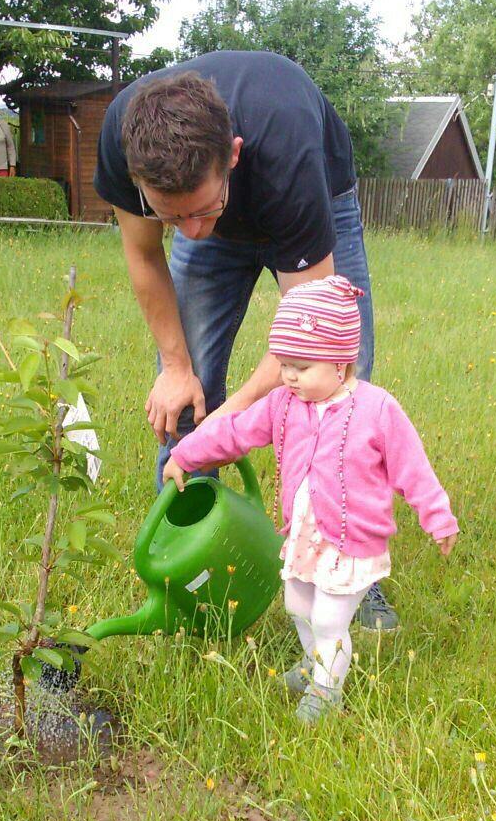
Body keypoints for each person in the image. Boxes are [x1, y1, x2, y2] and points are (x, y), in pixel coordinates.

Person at [94, 50, 400, 631]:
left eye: (204, 211)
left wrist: (233, 419)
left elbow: (313, 339)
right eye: (171, 217)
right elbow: (142, 252)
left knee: (335, 390)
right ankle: (185, 567)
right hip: (218, 184)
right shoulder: (122, 137)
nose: (193, 234)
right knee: (186, 396)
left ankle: (346, 573)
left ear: (232, 156)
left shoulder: (287, 153)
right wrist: (176, 367)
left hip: (314, 198)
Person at [163, 276, 459, 723]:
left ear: (340, 364)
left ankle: (327, 691)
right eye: (284, 364)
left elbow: (411, 467)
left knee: (329, 620)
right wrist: (185, 455)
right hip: (305, 534)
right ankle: (314, 661)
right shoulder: (283, 404)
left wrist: (437, 516)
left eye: (302, 366)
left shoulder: (376, 410)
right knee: (297, 604)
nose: (289, 376)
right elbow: (235, 432)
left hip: (352, 542)